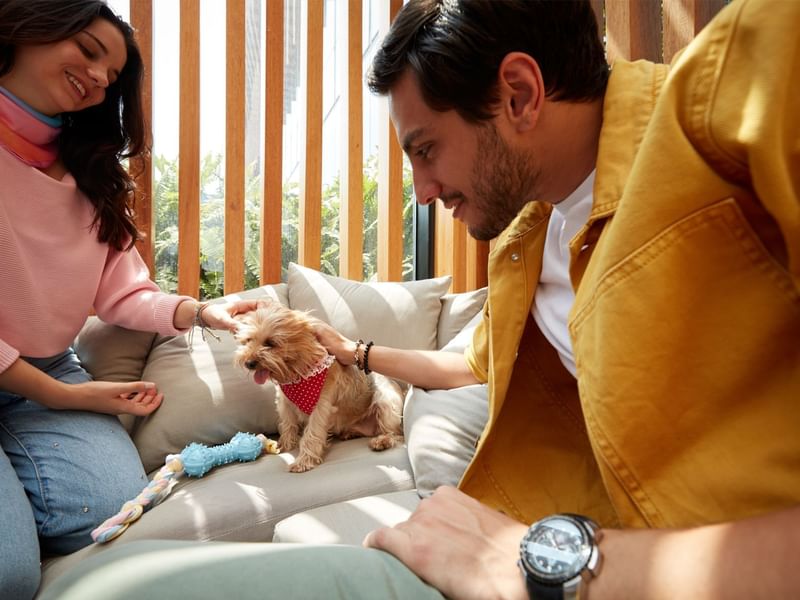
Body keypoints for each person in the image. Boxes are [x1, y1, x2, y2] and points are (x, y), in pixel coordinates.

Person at [35, 0, 800, 599]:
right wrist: (357, 352)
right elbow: (470, 365)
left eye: (425, 149)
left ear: (520, 93)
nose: (424, 192)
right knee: (108, 582)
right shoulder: (524, 242)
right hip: (547, 549)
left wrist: (556, 566)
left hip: (583, 566)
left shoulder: (740, 81)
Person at [0, 2, 259, 598]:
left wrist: (199, 312)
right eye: (88, 51)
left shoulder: (89, 176)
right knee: (11, 573)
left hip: (40, 372)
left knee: (108, 511)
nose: (96, 77)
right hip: (47, 386)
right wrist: (63, 397)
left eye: (110, 77)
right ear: (30, 25)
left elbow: (124, 293)